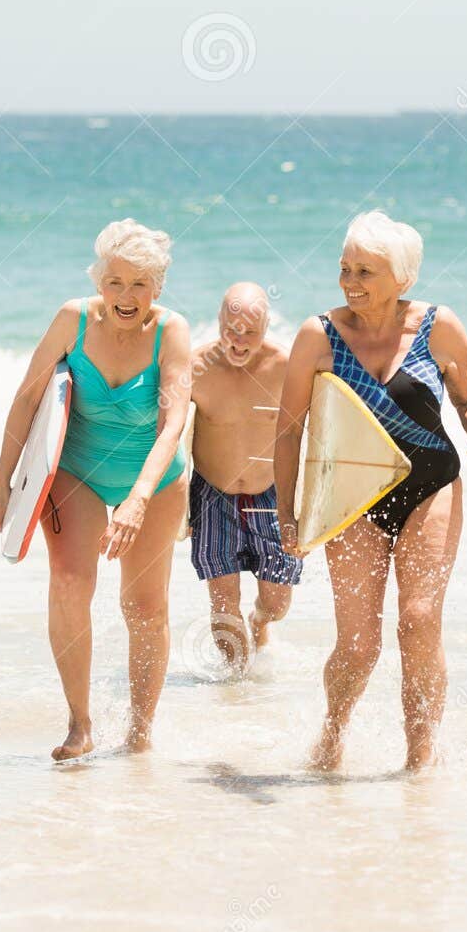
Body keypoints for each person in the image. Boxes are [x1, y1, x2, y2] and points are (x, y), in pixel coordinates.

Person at [275, 212, 467, 771]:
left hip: (432, 485)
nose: (351, 282)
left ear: (402, 278)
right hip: (351, 496)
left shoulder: (437, 326)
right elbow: (288, 428)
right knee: (358, 644)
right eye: (345, 268)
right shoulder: (318, 335)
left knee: (420, 618)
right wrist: (288, 512)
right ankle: (331, 738)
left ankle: (419, 758)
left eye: (366, 271)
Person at [0, 220, 190, 760]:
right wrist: (6, 479)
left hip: (155, 477)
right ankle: (80, 725)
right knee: (70, 581)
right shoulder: (72, 319)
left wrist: (139, 498)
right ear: (99, 281)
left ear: (159, 287)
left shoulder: (171, 331)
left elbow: (173, 423)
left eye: (140, 284)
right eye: (116, 282)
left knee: (144, 606)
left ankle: (140, 732)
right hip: (77, 468)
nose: (127, 297)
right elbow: (28, 398)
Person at [186, 282, 302, 676]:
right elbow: (165, 435)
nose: (237, 340)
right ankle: (237, 692)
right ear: (218, 321)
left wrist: (314, 505)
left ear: (266, 328)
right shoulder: (194, 367)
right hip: (211, 494)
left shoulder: (288, 368)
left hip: (270, 494)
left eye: (249, 332)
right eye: (229, 329)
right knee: (222, 605)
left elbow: (319, 433)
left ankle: (260, 624)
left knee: (277, 605)